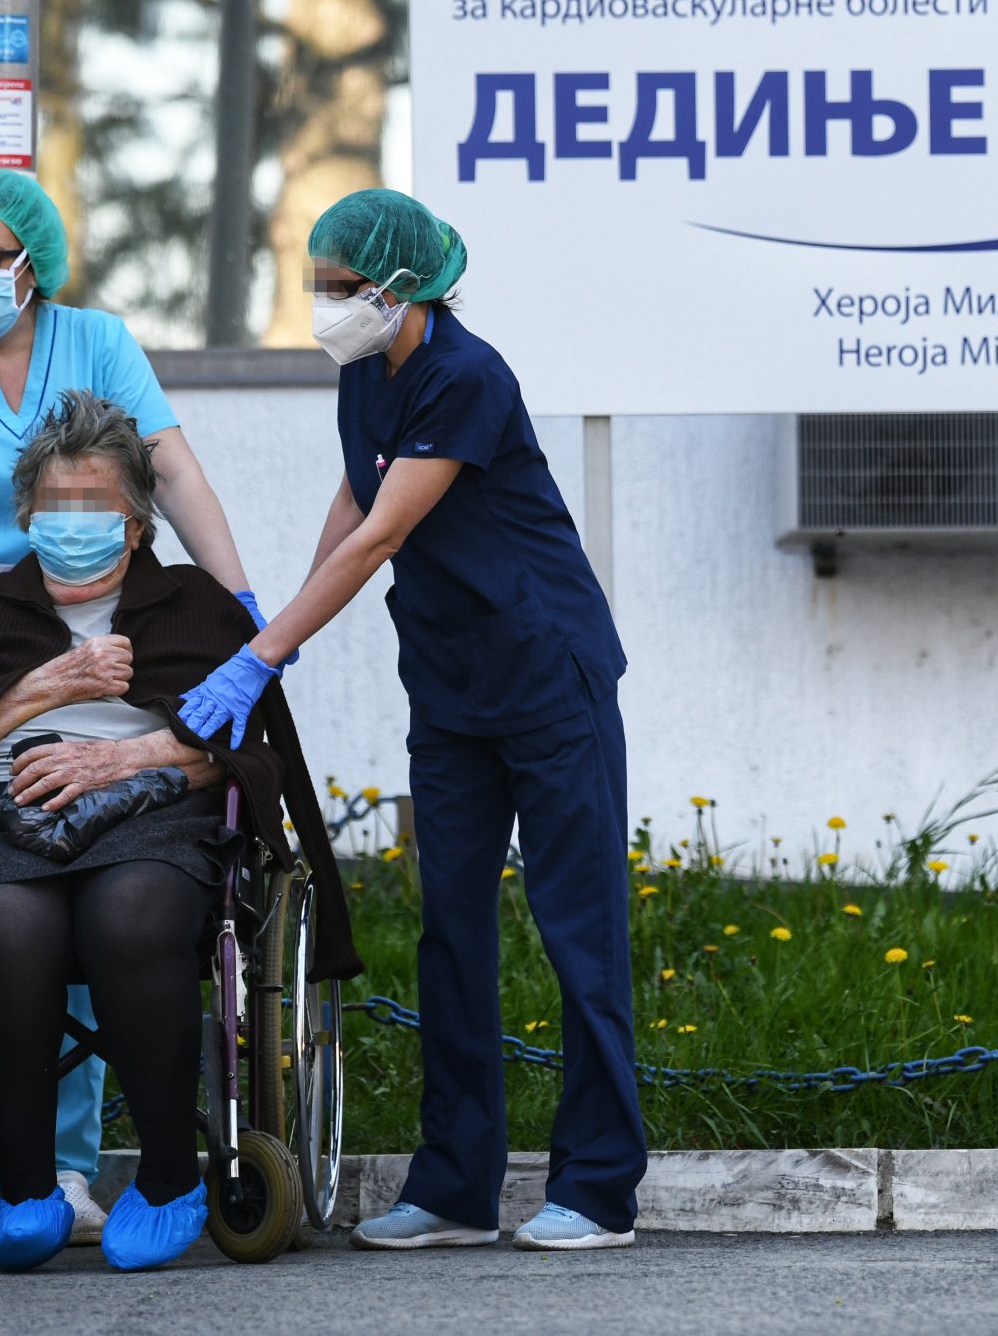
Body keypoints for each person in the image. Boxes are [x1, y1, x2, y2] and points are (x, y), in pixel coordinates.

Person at [179, 187, 640, 1253]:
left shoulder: (467, 375)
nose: (326, 302)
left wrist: (268, 647)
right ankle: (456, 1184)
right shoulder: (364, 371)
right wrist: (283, 618)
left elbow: (386, 531)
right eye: (322, 282)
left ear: (399, 289)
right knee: (451, 930)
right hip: (450, 684)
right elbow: (353, 498)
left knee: (579, 931)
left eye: (343, 286)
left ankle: (600, 1187)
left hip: (546, 671)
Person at [0, 391, 360, 1273]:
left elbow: (252, 756)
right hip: (6, 824)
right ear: (27, 517)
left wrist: (124, 761)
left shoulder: (195, 607)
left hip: (158, 821)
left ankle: (167, 1180)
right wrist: (47, 687)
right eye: (55, 508)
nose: (73, 525)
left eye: (97, 509)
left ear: (134, 526)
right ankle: (29, 1186)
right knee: (5, 922)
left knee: (129, 913)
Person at [0, 168, 271, 1246]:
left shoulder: (97, 342)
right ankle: (12, 1170)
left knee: (114, 895)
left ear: (33, 262)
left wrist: (243, 617)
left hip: (109, 654)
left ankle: (76, 1169)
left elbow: (173, 475)